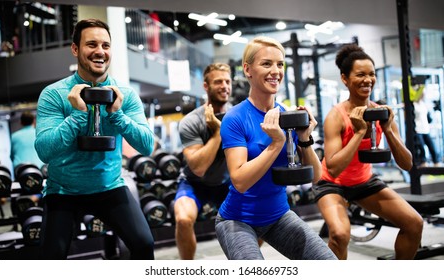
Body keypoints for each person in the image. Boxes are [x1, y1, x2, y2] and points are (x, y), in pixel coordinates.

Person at [34, 18, 155, 259]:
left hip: (109, 186)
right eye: (91, 44)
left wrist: (118, 115)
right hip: (63, 190)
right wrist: (78, 115)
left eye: (106, 45)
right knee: (51, 257)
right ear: (75, 49)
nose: (100, 51)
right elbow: (44, 151)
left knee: (143, 244)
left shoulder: (126, 95)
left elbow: (147, 145)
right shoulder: (54, 94)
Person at [215, 36, 337, 260]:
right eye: (266, 63)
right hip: (237, 218)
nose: (275, 71)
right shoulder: (235, 118)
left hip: (278, 215)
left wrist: (304, 138)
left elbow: (317, 176)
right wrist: (276, 143)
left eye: (280, 64)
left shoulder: (288, 115)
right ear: (248, 69)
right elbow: (240, 181)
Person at [312, 44, 423, 260]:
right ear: (345, 79)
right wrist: (359, 132)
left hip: (364, 182)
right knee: (340, 235)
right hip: (331, 184)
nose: (368, 80)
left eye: (371, 74)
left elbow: (407, 164)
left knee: (414, 223)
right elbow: (333, 168)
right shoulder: (336, 117)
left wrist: (388, 129)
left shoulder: (381, 113)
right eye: (360, 74)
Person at [174, 63, 233, 260]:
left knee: (259, 214)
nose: (224, 86)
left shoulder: (238, 116)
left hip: (227, 182)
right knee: (183, 219)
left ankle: (246, 264)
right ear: (206, 86)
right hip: (194, 183)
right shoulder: (191, 121)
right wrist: (217, 133)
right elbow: (198, 168)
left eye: (227, 81)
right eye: (218, 82)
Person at [414, 91, 440, 167]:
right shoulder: (413, 105)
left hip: (426, 129)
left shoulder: (423, 104)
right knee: (421, 148)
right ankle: (423, 163)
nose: (423, 95)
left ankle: (436, 163)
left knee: (432, 147)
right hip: (417, 129)